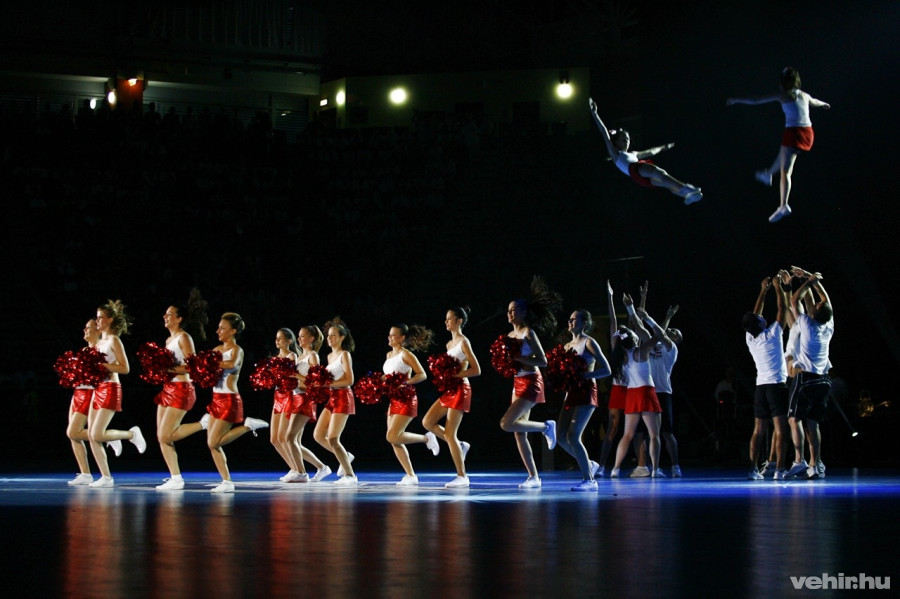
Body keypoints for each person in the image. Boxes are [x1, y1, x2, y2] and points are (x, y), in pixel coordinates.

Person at [727, 67, 831, 222]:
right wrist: (824, 104)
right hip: (808, 133)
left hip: (794, 132)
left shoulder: (783, 95)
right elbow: (815, 102)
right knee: (783, 155)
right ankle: (768, 174)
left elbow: (757, 100)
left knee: (786, 171)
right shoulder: (804, 95)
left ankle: (783, 205)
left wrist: (737, 100)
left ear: (784, 83)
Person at [498, 276, 563, 489]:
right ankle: (534, 477)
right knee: (518, 432)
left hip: (532, 381)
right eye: (508, 310)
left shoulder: (528, 332)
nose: (510, 313)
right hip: (517, 382)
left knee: (506, 424)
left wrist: (518, 359)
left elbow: (543, 361)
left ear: (524, 312)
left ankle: (546, 426)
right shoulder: (509, 334)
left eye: (514, 310)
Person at [589, 98, 702, 205]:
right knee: (660, 173)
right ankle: (687, 189)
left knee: (665, 183)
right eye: (623, 139)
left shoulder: (633, 153)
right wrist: (595, 113)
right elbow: (604, 132)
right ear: (617, 142)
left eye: (628, 139)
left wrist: (663, 147)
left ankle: (687, 195)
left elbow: (650, 152)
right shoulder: (615, 153)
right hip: (635, 169)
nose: (627, 141)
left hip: (638, 176)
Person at [205, 312, 269, 493]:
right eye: (218, 328)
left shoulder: (237, 350)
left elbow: (231, 364)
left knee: (213, 443)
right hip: (216, 398)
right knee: (212, 444)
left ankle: (248, 426)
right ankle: (226, 481)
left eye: (222, 328)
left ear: (233, 331)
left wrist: (210, 362)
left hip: (229, 400)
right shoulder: (217, 349)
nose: (218, 331)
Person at [87, 300, 146, 488]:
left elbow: (125, 368)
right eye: (97, 318)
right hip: (98, 388)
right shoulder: (99, 342)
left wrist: (103, 366)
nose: (97, 321)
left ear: (110, 320)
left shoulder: (114, 340)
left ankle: (131, 434)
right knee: (92, 435)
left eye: (100, 318)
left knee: (97, 434)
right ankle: (106, 477)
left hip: (111, 388)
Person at [155, 290, 210, 490]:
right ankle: (175, 477)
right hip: (167, 388)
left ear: (179, 319)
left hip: (182, 388)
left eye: (169, 314)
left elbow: (193, 367)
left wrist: (168, 369)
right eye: (165, 314)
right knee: (161, 436)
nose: (165, 316)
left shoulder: (184, 337)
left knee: (166, 435)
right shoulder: (168, 340)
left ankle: (203, 424)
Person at [423, 306, 481, 489]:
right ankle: (460, 445)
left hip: (461, 388)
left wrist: (455, 375)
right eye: (446, 318)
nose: (446, 321)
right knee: (427, 422)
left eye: (449, 318)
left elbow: (477, 370)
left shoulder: (464, 342)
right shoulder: (449, 345)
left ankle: (462, 476)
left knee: (450, 434)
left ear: (459, 321)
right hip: (450, 389)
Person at [786, 267, 834, 479]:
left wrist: (808, 282)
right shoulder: (828, 325)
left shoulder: (807, 324)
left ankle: (799, 461)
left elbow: (794, 300)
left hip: (806, 379)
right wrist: (809, 277)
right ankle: (816, 464)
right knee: (813, 423)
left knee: (794, 419)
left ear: (815, 312)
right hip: (824, 380)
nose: (813, 305)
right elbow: (825, 300)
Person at [609, 294, 664, 478]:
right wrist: (636, 311)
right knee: (654, 435)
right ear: (632, 338)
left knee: (627, 435)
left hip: (632, 394)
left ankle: (615, 469)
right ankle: (655, 469)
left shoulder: (620, 355)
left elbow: (614, 326)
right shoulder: (642, 350)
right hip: (646, 392)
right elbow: (659, 335)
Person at [556, 309, 611, 492]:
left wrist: (584, 375)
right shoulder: (566, 346)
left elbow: (607, 370)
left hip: (587, 391)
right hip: (571, 393)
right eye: (569, 319)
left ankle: (590, 480)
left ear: (584, 323)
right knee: (560, 436)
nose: (570, 322)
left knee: (573, 435)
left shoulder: (589, 342)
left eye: (574, 319)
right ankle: (589, 464)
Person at [743, 275, 790, 481]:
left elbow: (756, 314)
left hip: (760, 388)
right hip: (776, 387)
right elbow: (783, 308)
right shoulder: (772, 334)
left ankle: (753, 469)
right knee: (781, 430)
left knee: (758, 431)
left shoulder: (750, 337)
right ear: (761, 324)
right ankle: (779, 469)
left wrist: (763, 291)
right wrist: (778, 287)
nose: (763, 317)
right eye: (761, 319)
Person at [383, 324, 439, 486]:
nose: (390, 337)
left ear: (402, 338)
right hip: (393, 399)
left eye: (394, 335)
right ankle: (410, 475)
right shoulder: (388, 355)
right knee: (394, 440)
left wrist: (405, 382)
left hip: (406, 398)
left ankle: (426, 438)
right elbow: (388, 376)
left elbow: (422, 374)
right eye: (389, 334)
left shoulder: (406, 354)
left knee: (392, 436)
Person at [313, 317, 358, 486]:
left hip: (343, 397)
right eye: (328, 335)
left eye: (333, 335)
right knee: (318, 435)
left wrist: (326, 383)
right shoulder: (329, 356)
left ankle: (350, 475)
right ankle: (345, 456)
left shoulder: (344, 354)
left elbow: (349, 380)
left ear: (341, 337)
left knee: (333, 438)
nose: (329, 338)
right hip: (332, 397)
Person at [288, 326, 330, 482]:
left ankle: (301, 473)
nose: (299, 339)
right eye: (298, 336)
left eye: (302, 336)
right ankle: (322, 467)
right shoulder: (300, 356)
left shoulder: (313, 356)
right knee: (295, 441)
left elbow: (316, 383)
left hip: (305, 398)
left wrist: (296, 375)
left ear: (311, 339)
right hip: (296, 397)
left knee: (289, 437)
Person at [596, 281, 628, 478]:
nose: (620, 334)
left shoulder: (635, 348)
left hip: (633, 389)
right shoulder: (617, 350)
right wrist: (610, 297)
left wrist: (639, 302)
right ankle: (602, 466)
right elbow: (613, 321)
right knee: (612, 428)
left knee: (637, 431)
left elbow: (637, 323)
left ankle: (643, 465)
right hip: (618, 389)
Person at [268, 328, 308, 482]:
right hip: (277, 396)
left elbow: (291, 378)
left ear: (289, 341)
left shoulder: (292, 356)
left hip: (288, 396)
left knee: (284, 437)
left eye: (280, 338)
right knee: (274, 439)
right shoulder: (274, 358)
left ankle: (299, 470)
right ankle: (293, 468)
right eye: (276, 338)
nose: (277, 341)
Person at [66, 319, 101, 485]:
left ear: (97, 330)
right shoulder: (84, 350)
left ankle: (108, 436)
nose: (85, 330)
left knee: (73, 432)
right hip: (77, 392)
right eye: (85, 327)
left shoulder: (100, 349)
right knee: (73, 436)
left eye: (88, 327)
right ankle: (85, 473)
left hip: (89, 393)